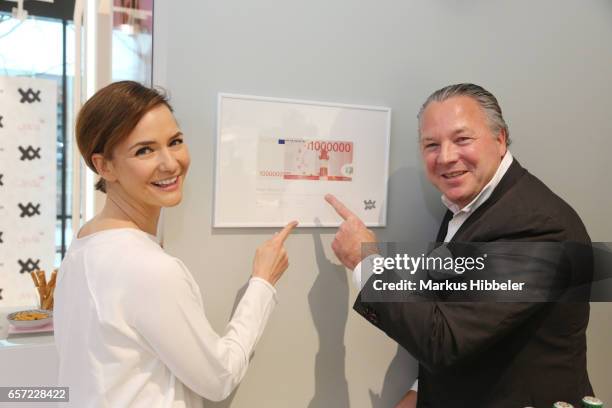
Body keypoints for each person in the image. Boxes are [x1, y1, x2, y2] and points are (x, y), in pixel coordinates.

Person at [326, 83, 593, 407]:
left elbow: (445, 340)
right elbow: (463, 321)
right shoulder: (469, 204)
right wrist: (419, 391)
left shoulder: (536, 226)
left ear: (500, 138)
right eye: (431, 144)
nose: (446, 157)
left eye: (462, 139)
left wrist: (366, 262)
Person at [54, 81, 297, 407]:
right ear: (104, 166)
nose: (170, 163)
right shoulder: (148, 268)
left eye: (175, 142)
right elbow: (219, 377)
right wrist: (262, 284)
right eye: (144, 150)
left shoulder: (87, 241)